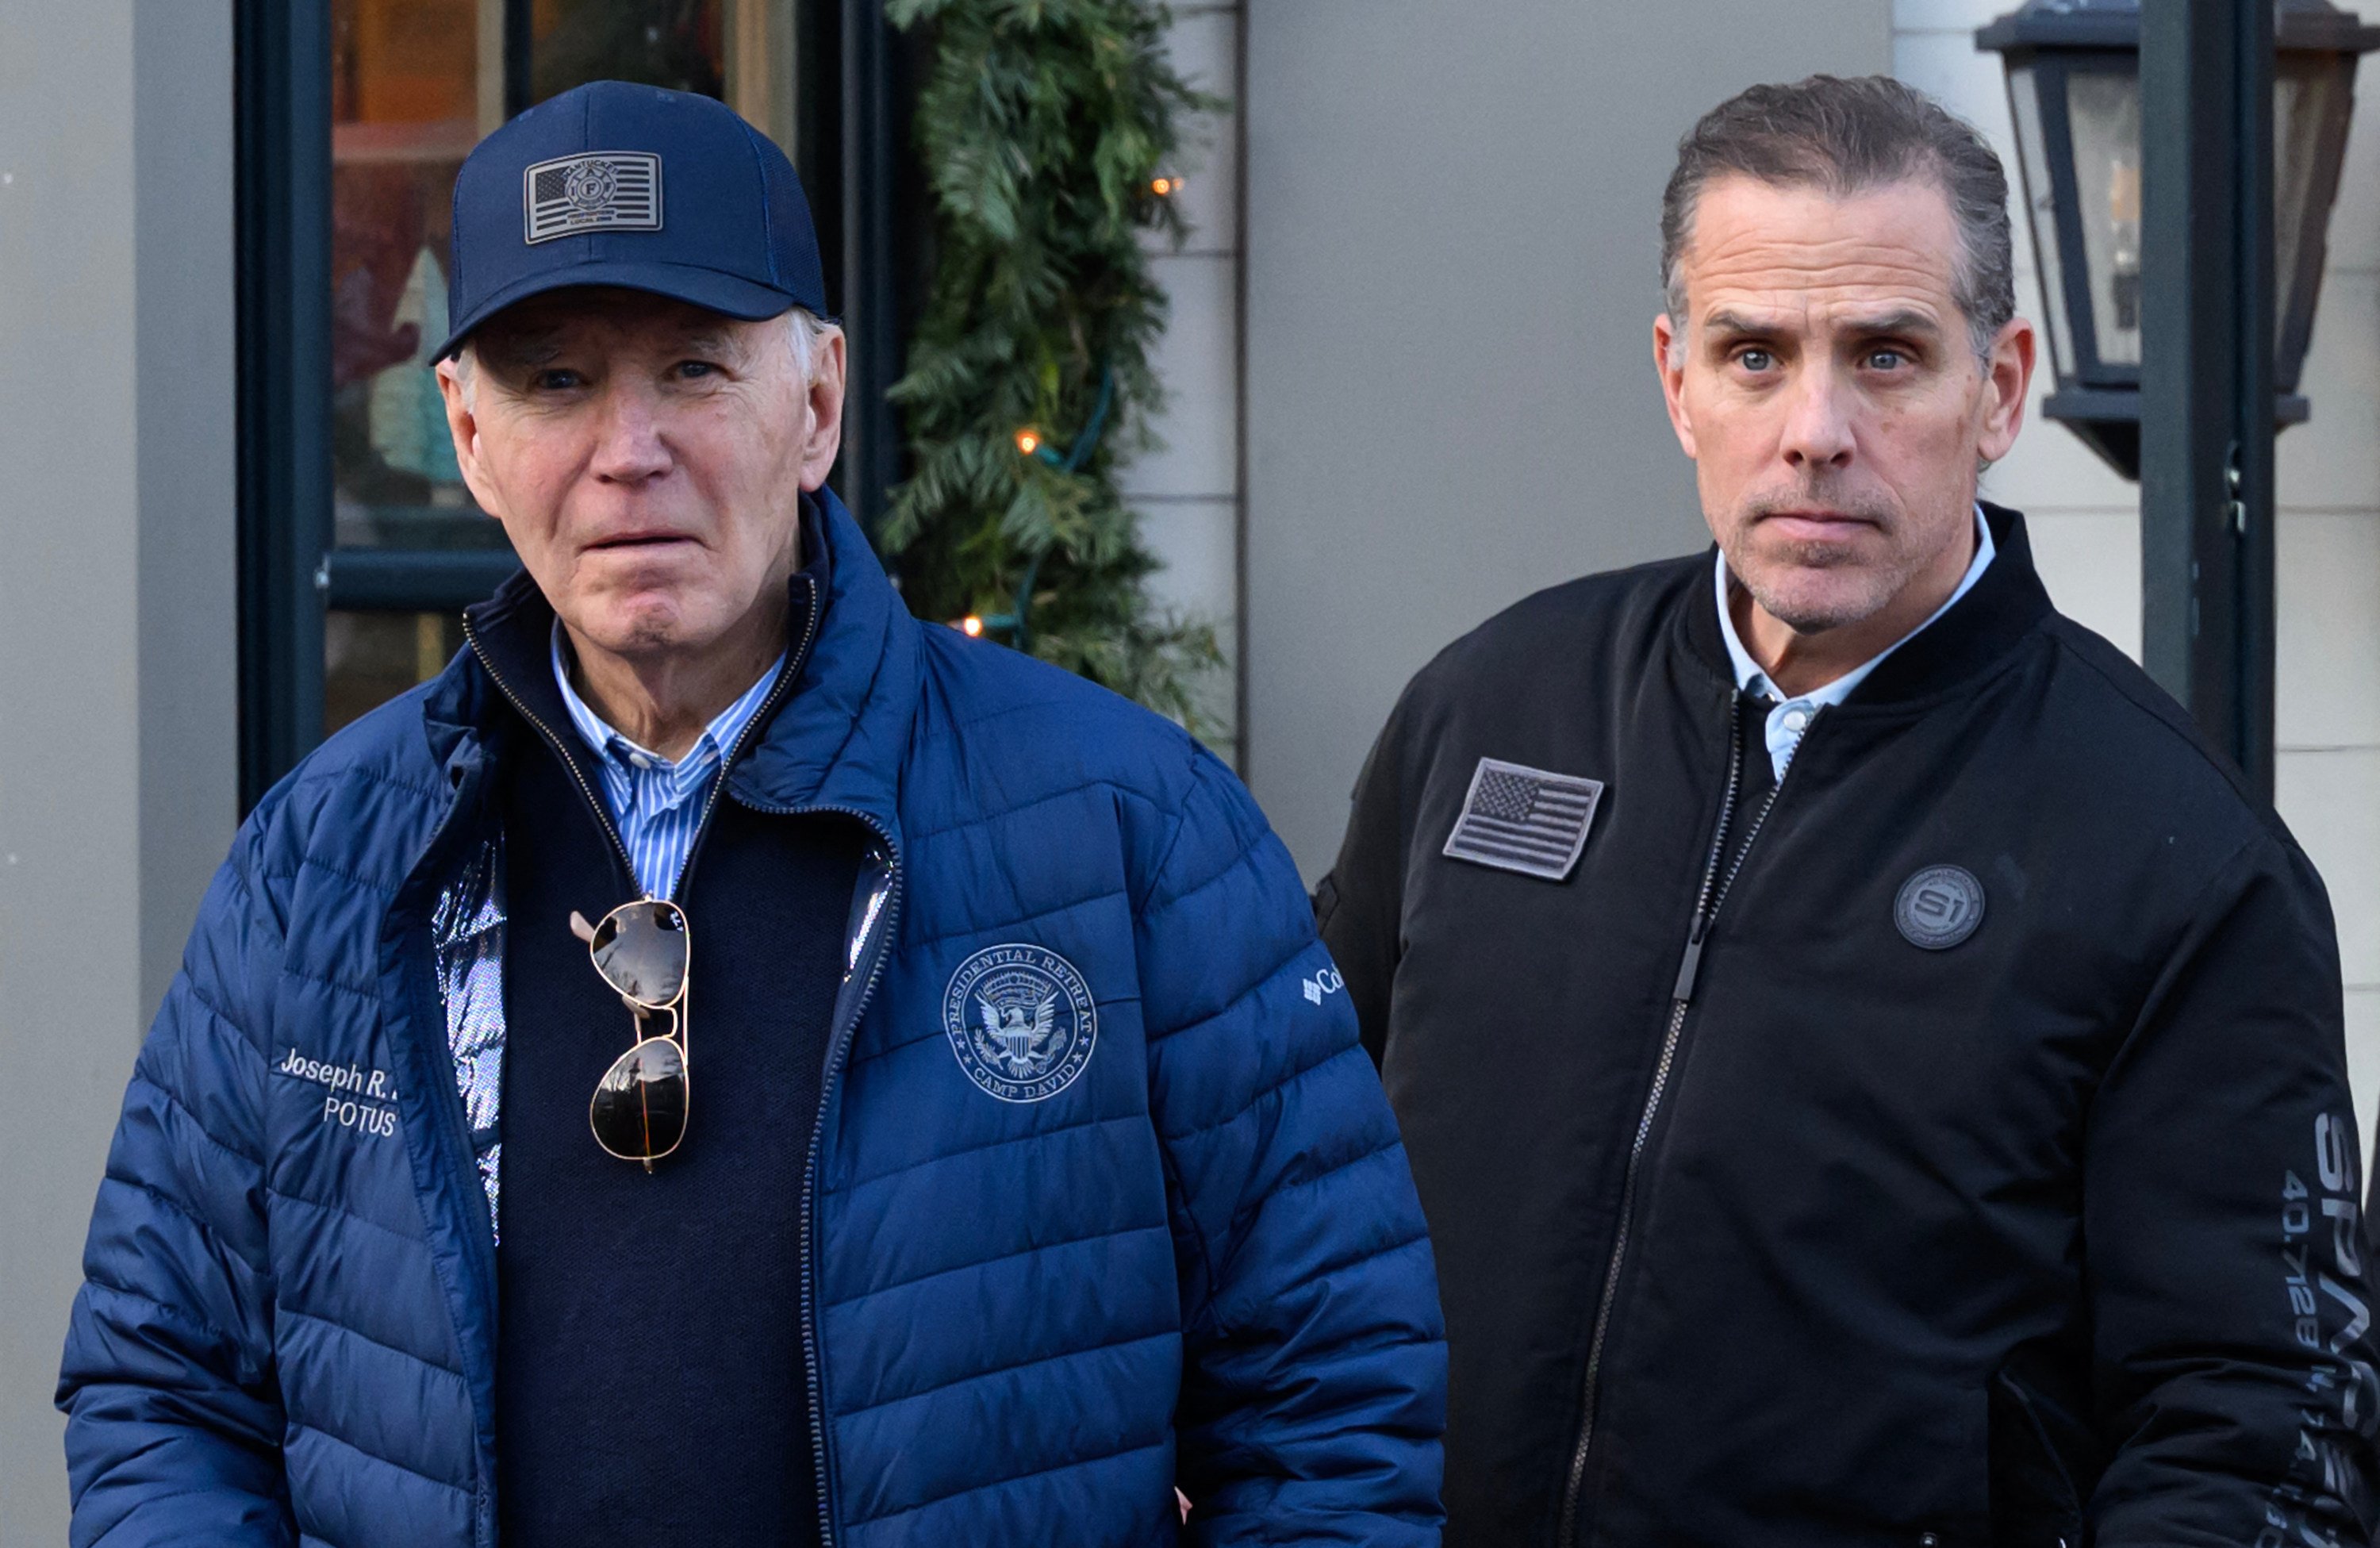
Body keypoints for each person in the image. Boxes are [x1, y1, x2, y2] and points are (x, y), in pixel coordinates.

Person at [59, 81, 1445, 1548]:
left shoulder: (1129, 829)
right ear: (466, 435)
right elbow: (166, 1387)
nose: (627, 449)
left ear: (820, 405)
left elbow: (1327, 1393)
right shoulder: (324, 862)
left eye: (697, 370)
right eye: (555, 380)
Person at [1317, 74, 2376, 1546]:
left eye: (1885, 355)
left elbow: (2258, 1422)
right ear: (1677, 380)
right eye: (1756, 355)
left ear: (1996, 389)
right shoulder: (1490, 709)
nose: (1815, 428)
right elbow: (1285, 1174)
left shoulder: (2177, 856)